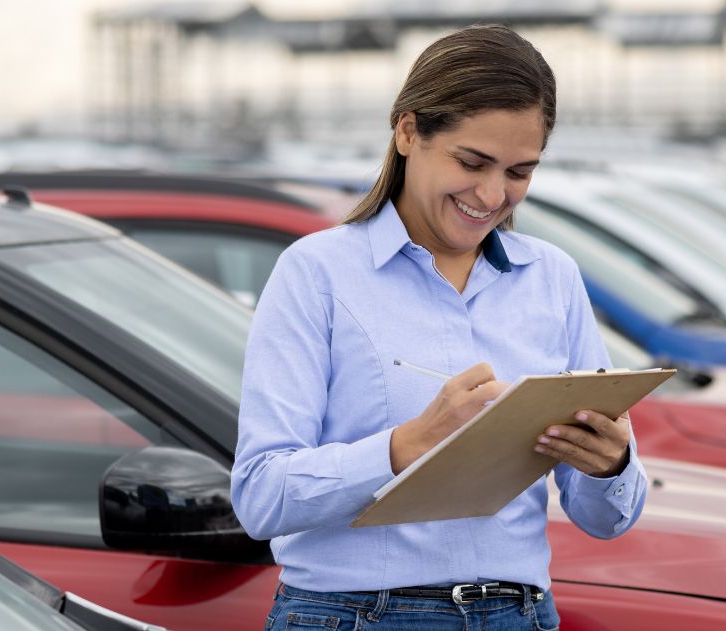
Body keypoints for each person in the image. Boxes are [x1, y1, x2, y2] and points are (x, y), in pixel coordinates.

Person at [231, 25, 646, 630]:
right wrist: (407, 446)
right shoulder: (316, 273)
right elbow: (260, 497)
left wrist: (611, 466)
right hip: (355, 615)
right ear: (407, 132)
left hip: (518, 614)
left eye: (519, 171)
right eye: (471, 162)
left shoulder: (553, 278)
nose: (492, 194)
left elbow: (605, 520)